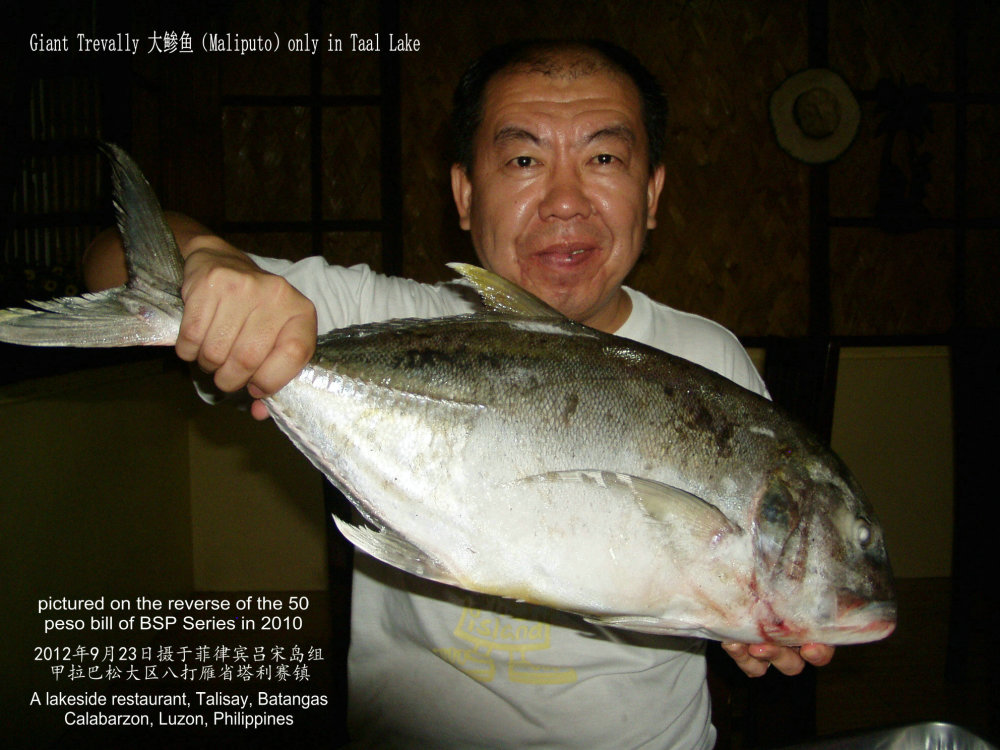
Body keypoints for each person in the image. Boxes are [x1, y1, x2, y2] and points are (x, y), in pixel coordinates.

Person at [85, 38, 834, 749]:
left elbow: (730, 563)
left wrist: (756, 620)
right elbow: (108, 261)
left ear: (652, 193)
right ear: (465, 194)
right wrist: (214, 264)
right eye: (524, 158)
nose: (565, 200)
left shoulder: (709, 360)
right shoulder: (369, 319)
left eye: (604, 156)